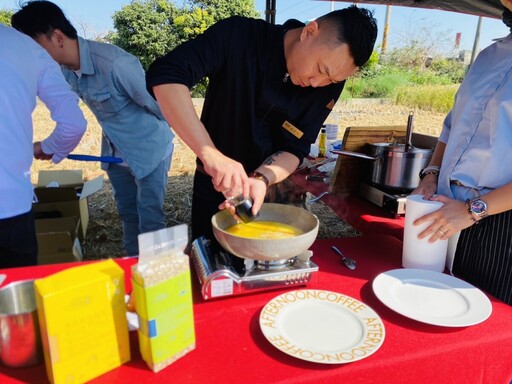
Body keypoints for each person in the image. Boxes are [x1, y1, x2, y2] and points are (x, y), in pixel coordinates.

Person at [146, 6, 378, 240]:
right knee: (215, 265)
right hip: (216, 187)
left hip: (276, 192)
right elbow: (168, 75)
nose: (317, 83)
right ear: (309, 31)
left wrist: (261, 179)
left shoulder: (328, 85)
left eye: (331, 80)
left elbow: (296, 147)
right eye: (320, 69)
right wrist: (212, 155)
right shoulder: (238, 35)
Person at [12, 1, 175, 256]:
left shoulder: (115, 64)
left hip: (149, 151)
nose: (29, 55)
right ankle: (134, 267)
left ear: (57, 37)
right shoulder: (63, 71)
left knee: (150, 219)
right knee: (129, 214)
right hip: (115, 154)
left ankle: (160, 279)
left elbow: (159, 106)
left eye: (33, 47)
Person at [411, 0, 512, 305]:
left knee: (486, 326)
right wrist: (431, 173)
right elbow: (452, 126)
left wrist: (473, 210)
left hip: (499, 224)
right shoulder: (489, 55)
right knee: (436, 302)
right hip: (448, 209)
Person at [0, 25, 87, 268]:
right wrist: (49, 146)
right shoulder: (24, 45)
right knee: (17, 301)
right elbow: (74, 123)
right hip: (10, 205)